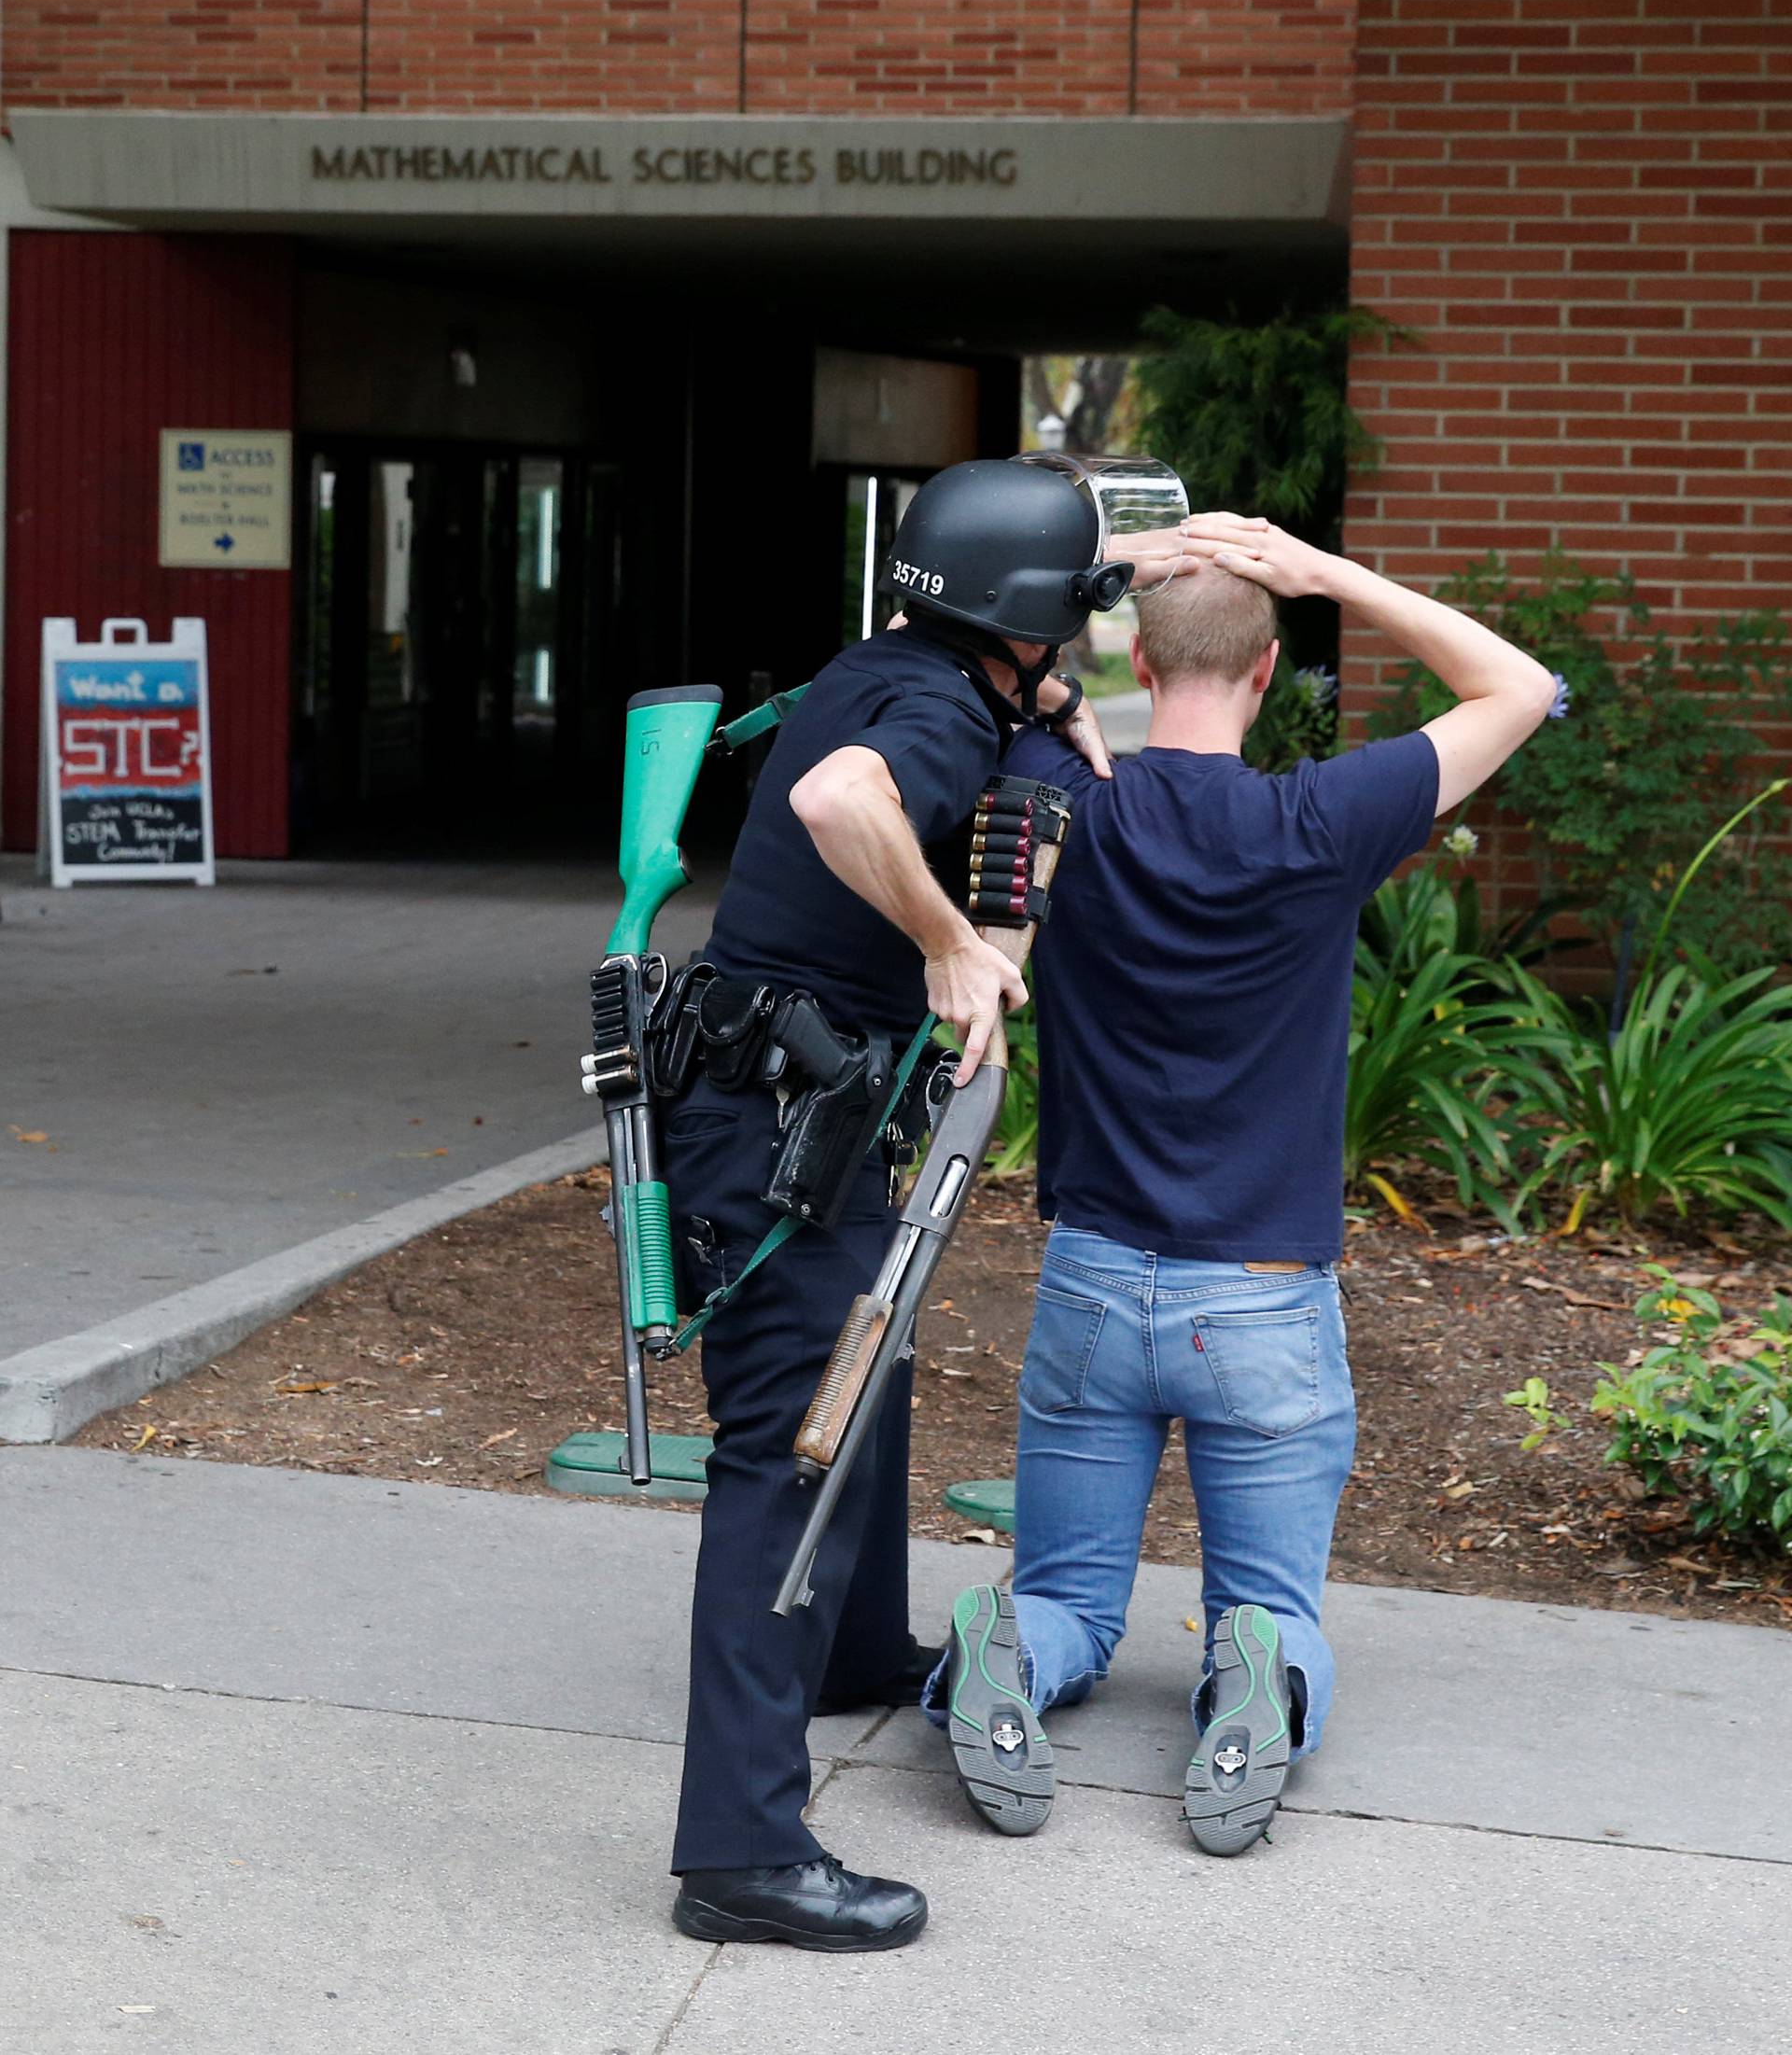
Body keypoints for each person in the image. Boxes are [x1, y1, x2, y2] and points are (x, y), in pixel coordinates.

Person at [927, 517, 1557, 1855]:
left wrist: (1108, 571)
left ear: (1140, 669)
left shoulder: (1060, 793)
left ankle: (1009, 1654)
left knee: (1072, 1607)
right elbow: (1519, 687)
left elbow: (930, 659)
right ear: (1269, 672)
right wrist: (1323, 573)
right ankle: (1254, 1682)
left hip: (1093, 1282)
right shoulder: (1321, 818)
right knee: (1269, 1616)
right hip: (1263, 1304)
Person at [661, 457, 1205, 1951]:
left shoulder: (901, 666)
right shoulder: (934, 712)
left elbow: (911, 743)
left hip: (779, 1102)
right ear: (1029, 620)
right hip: (776, 1130)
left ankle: (850, 1652)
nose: (1089, 643)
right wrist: (955, 942)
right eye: (1079, 614)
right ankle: (739, 1852)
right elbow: (847, 800)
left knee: (868, 1376)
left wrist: (1045, 719)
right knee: (786, 1457)